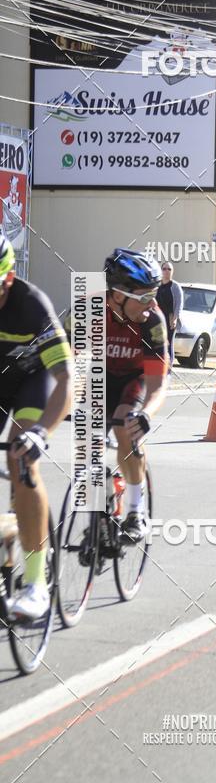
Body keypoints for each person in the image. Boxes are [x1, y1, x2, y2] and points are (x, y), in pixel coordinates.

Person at [0, 234, 72, 620]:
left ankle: (35, 584)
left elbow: (66, 382)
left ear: (7, 280)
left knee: (19, 457)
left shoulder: (33, 307)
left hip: (34, 380)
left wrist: (40, 432)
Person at [104, 249, 169, 541]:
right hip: (99, 375)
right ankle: (99, 500)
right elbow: (68, 365)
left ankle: (134, 510)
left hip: (135, 377)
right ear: (117, 295)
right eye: (144, 296)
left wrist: (145, 415)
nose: (152, 303)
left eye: (153, 295)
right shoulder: (89, 309)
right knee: (85, 437)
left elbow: (158, 385)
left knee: (124, 426)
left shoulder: (152, 321)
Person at [156, 261, 183, 366]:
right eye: (164, 269)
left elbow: (179, 305)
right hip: (158, 319)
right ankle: (159, 363)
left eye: (169, 269)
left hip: (170, 318)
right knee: (158, 343)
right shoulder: (157, 285)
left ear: (172, 272)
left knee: (169, 342)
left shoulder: (175, 287)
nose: (166, 271)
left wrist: (175, 318)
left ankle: (169, 365)